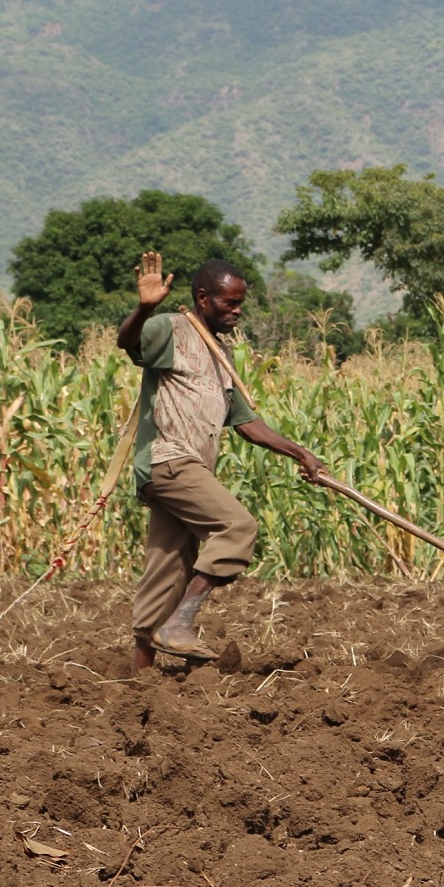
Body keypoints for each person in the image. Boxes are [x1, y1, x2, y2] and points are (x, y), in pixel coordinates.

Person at [117, 252, 322, 672]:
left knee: (169, 568)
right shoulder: (169, 329)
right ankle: (181, 624)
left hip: (189, 468)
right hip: (169, 459)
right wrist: (145, 307)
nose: (237, 311)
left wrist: (300, 453)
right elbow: (128, 343)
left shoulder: (221, 354)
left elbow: (247, 424)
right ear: (203, 298)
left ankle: (137, 683)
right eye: (230, 303)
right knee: (237, 527)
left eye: (241, 302)